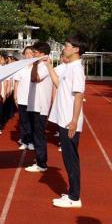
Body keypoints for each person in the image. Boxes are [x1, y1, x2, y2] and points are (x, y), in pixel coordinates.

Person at [45, 35, 86, 208]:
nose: (64, 48)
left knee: (71, 160)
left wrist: (74, 121)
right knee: (68, 159)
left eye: (67, 45)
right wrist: (48, 66)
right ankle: (71, 193)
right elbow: (57, 84)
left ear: (76, 49)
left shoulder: (77, 69)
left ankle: (74, 197)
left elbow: (79, 95)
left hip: (70, 121)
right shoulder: (69, 67)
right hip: (64, 120)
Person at [24, 41, 53, 173]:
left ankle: (42, 163)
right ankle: (39, 159)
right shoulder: (39, 64)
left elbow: (35, 78)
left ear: (42, 54)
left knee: (39, 135)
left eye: (35, 52)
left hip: (40, 107)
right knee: (36, 134)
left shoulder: (46, 65)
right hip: (34, 105)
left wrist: (35, 64)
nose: (33, 54)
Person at [13, 46, 35, 151]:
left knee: (31, 122)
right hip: (22, 99)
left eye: (31, 53)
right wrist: (15, 97)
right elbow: (16, 83)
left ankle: (30, 141)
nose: (29, 55)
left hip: (33, 100)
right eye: (27, 53)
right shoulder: (20, 68)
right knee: (23, 122)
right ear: (24, 55)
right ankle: (24, 141)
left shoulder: (36, 67)